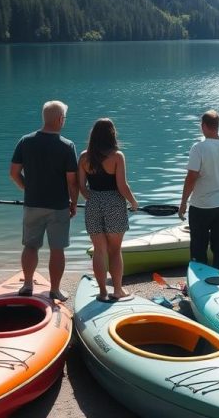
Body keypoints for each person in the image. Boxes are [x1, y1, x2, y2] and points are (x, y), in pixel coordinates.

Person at [10, 100, 79, 301]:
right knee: (57, 248)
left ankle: (28, 285)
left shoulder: (25, 141)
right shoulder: (67, 146)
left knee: (30, 246)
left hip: (32, 203)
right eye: (64, 118)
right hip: (58, 206)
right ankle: (55, 290)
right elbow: (72, 182)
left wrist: (27, 188)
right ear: (60, 119)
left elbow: (14, 173)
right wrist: (73, 202)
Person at [78, 118, 139, 301]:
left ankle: (103, 292)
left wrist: (95, 199)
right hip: (115, 203)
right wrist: (133, 202)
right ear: (112, 135)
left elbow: (82, 187)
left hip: (93, 203)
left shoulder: (83, 157)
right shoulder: (117, 156)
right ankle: (117, 291)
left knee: (99, 250)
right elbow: (122, 186)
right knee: (115, 250)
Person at [178, 110, 219, 271]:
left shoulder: (199, 148)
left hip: (202, 206)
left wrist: (183, 202)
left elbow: (191, 177)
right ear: (218, 126)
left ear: (204, 126)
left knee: (199, 246)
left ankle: (200, 279)